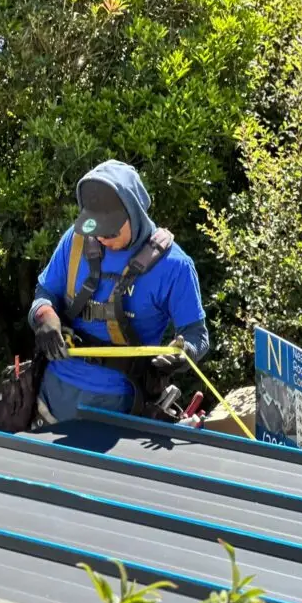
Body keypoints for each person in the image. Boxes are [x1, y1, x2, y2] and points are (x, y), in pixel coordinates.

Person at [28, 159, 210, 423]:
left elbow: (197, 334)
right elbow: (44, 291)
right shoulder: (75, 241)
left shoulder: (175, 266)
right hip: (51, 397)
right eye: (95, 228)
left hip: (119, 408)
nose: (101, 238)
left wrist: (184, 352)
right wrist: (44, 316)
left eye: (110, 231)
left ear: (134, 214)